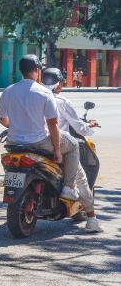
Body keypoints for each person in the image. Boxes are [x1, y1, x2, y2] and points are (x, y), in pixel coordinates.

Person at [0, 54, 80, 202]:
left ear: (21, 70)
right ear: (37, 70)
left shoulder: (8, 90)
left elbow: (1, 118)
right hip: (38, 142)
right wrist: (58, 150)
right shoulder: (44, 92)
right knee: (73, 145)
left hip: (13, 143)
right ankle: (69, 186)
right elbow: (53, 124)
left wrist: (13, 126)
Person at [41, 67, 104, 232]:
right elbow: (79, 127)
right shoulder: (62, 102)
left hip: (34, 143)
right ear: (59, 84)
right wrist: (90, 125)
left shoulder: (35, 96)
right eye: (61, 82)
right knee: (81, 180)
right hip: (57, 144)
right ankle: (92, 219)